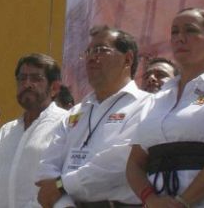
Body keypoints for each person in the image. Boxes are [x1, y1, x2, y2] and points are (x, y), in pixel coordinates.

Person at [35, 25, 149, 208]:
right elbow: (47, 167)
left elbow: (120, 163)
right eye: (88, 52)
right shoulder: (75, 113)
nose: (91, 58)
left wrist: (62, 185)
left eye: (100, 50)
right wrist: (64, 204)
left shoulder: (146, 106)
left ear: (127, 59)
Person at [126, 8, 204, 207]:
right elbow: (134, 164)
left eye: (190, 30)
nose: (180, 38)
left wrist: (183, 202)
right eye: (174, 32)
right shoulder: (155, 100)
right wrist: (151, 199)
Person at [0, 53, 66, 208]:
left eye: (36, 78)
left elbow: (60, 184)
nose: (27, 84)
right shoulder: (5, 132)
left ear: (54, 87)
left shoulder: (65, 124)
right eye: (22, 78)